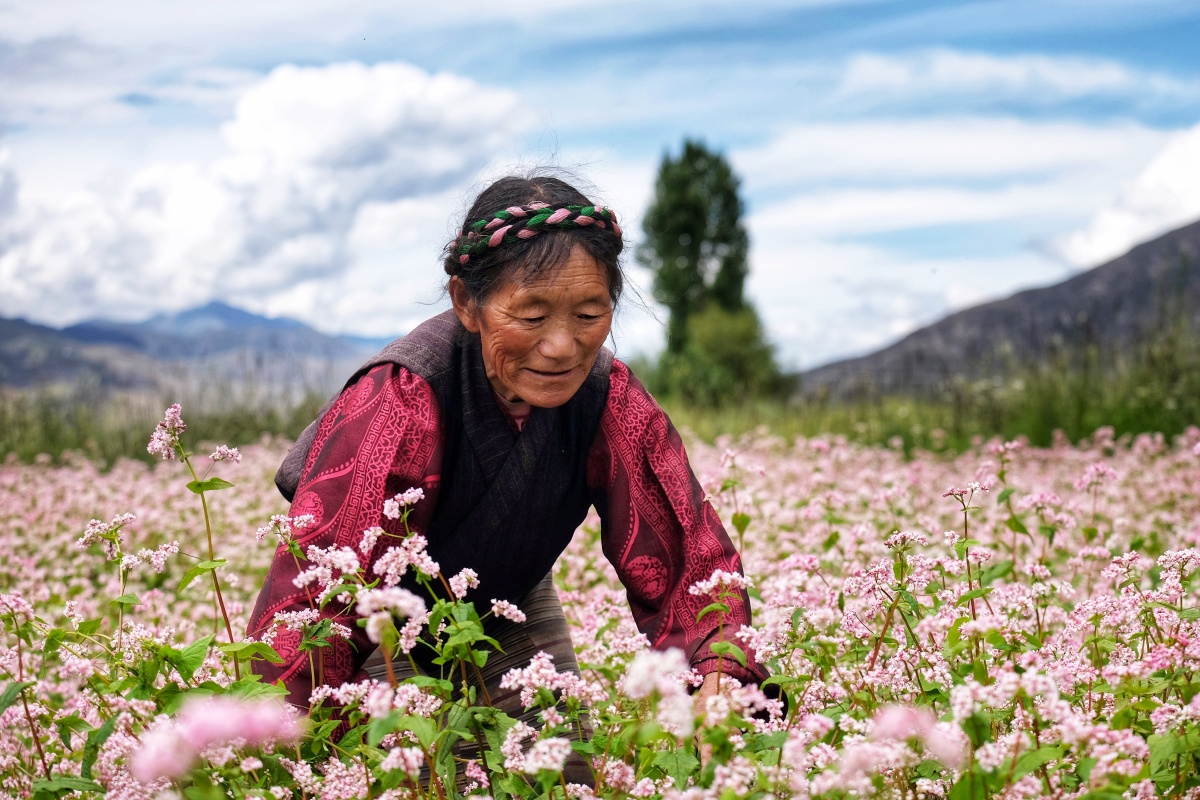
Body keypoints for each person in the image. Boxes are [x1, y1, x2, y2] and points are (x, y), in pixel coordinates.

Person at [249, 174, 766, 780]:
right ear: (467, 303)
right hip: (380, 629)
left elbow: (686, 560)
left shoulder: (609, 399)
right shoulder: (402, 397)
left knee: (564, 779)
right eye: (531, 314)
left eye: (589, 313)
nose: (561, 346)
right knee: (408, 783)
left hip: (510, 603)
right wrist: (282, 746)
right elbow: (321, 595)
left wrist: (720, 677)